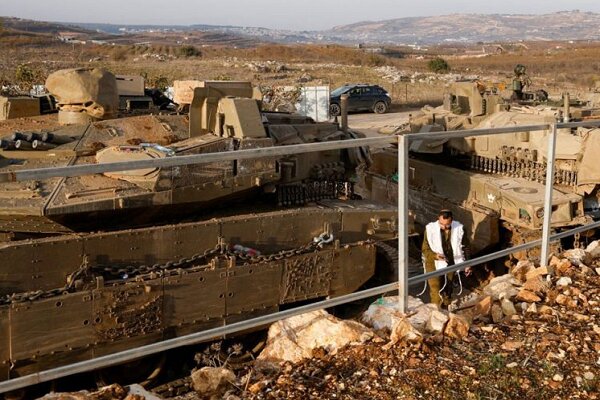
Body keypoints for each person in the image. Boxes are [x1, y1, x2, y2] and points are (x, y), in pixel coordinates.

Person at [421, 209, 470, 307]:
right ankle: (437, 310)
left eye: (446, 225)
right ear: (438, 220)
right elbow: (425, 249)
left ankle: (446, 307)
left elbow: (466, 247)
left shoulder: (459, 229)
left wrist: (467, 264)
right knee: (436, 289)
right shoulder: (430, 229)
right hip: (433, 262)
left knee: (448, 287)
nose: (443, 227)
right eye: (441, 224)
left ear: (452, 221)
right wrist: (435, 256)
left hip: (451, 261)